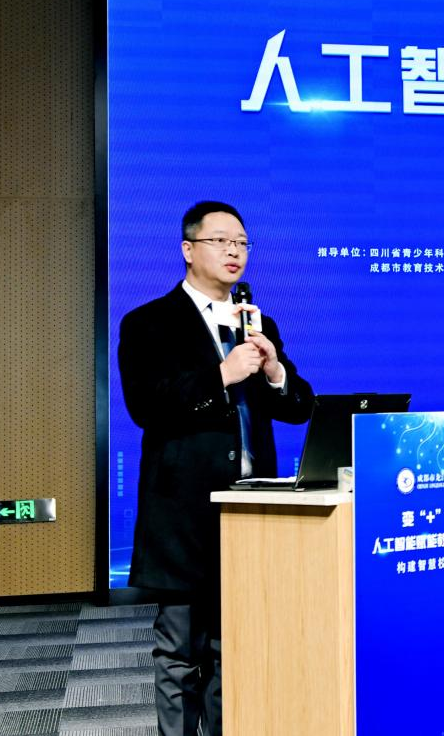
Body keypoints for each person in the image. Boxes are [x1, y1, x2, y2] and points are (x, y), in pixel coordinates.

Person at [118, 201, 314, 736]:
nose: (235, 252)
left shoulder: (258, 323)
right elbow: (146, 406)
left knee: (237, 649)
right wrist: (220, 376)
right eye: (221, 241)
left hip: (251, 507)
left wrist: (274, 371)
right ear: (189, 249)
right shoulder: (148, 322)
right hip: (183, 514)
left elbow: (299, 406)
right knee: (181, 652)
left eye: (242, 243)